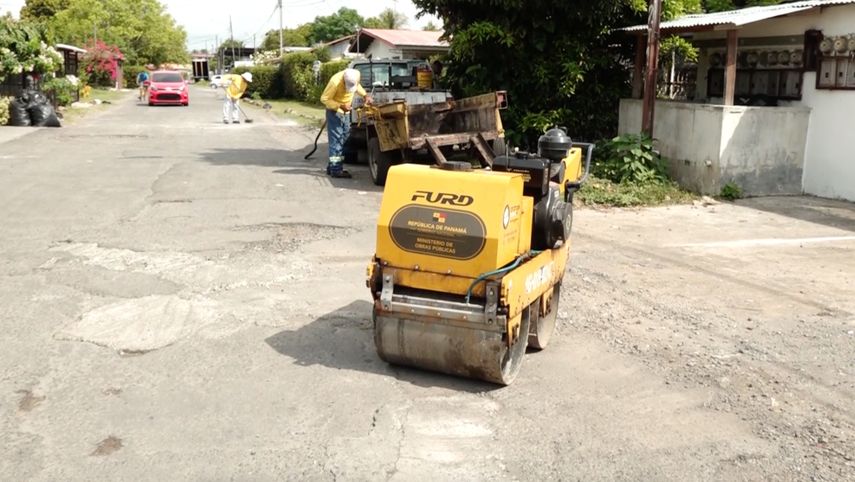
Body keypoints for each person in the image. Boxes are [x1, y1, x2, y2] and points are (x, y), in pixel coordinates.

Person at [320, 68, 372, 178]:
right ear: (343, 80)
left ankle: (332, 166)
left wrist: (365, 95)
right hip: (335, 113)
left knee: (344, 140)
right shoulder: (335, 82)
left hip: (346, 113)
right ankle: (336, 170)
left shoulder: (355, 76)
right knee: (337, 141)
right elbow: (324, 99)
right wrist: (339, 106)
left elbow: (357, 86)